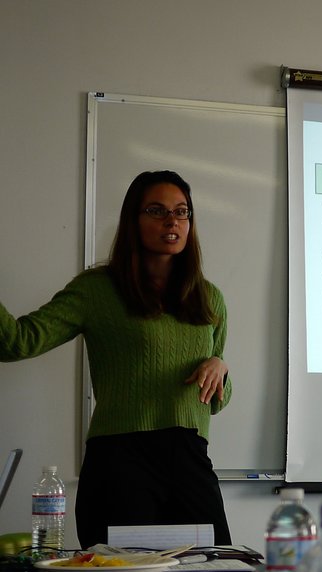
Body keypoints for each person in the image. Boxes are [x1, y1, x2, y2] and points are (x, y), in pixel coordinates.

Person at [0, 170, 233, 547]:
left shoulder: (209, 298)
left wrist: (220, 367)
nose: (172, 221)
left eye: (182, 211)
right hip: (121, 462)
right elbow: (17, 342)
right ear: (132, 220)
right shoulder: (97, 290)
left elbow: (217, 401)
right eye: (156, 210)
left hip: (190, 457)